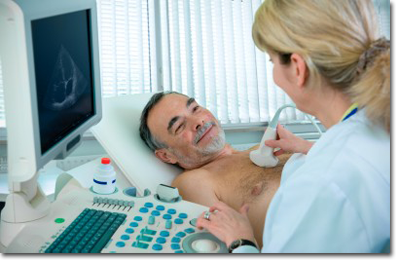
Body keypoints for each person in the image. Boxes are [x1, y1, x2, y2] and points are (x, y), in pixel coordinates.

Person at [196, 0, 390, 253]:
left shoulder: (321, 185)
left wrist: (242, 242)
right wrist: (315, 149)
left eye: (271, 61)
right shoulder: (377, 125)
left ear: (298, 69)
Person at [139, 91, 294, 246]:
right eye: (179, 126)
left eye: (195, 109)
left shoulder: (266, 148)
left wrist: (308, 149)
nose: (199, 121)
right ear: (166, 156)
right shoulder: (194, 182)